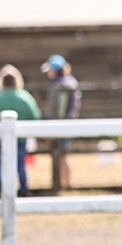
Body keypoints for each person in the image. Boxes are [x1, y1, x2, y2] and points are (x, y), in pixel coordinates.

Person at [0, 65, 41, 197]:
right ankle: (24, 189)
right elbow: (35, 115)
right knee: (20, 163)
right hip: (20, 138)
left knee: (0, 164)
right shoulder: (25, 97)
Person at [41, 54, 82, 190]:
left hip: (61, 125)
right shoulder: (68, 82)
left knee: (63, 154)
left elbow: (59, 110)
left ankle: (65, 183)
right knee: (63, 154)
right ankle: (63, 182)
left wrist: (52, 127)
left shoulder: (62, 85)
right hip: (65, 124)